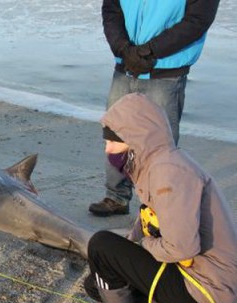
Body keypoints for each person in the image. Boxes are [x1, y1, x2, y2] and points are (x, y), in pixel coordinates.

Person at [82, 93, 237, 303]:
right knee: (98, 282)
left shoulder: (169, 172)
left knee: (100, 245)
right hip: (197, 281)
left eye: (113, 141)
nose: (107, 149)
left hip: (205, 289)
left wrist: (140, 245)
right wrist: (124, 254)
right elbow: (149, 222)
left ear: (136, 141)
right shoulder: (155, 164)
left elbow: (181, 248)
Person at [89, 0, 220, 216]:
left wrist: (151, 50)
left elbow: (198, 20)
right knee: (115, 136)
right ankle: (116, 198)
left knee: (160, 147)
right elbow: (111, 9)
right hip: (125, 65)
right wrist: (123, 48)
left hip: (167, 70)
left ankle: (157, 206)